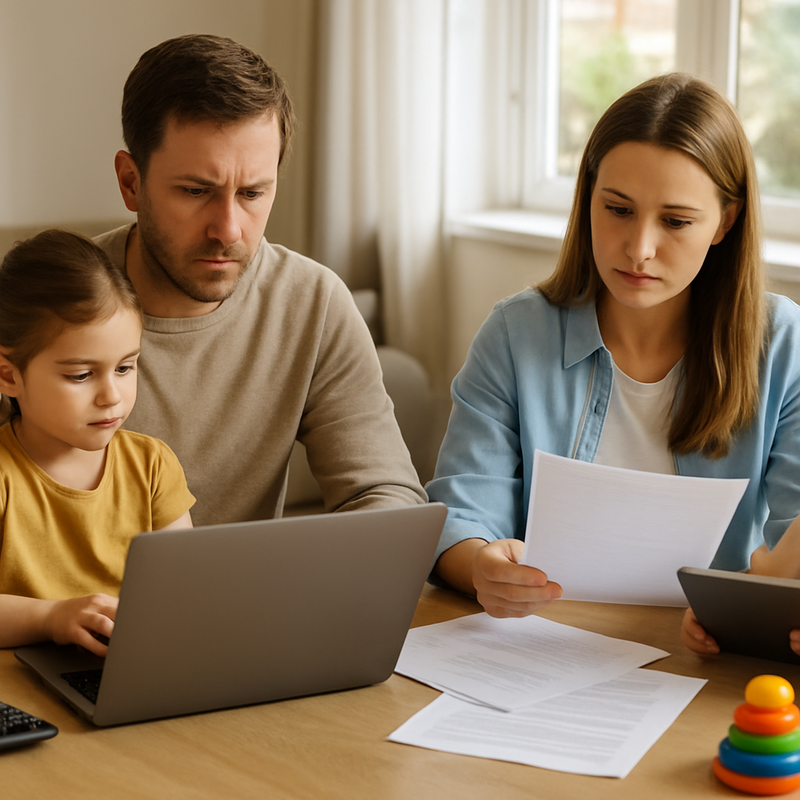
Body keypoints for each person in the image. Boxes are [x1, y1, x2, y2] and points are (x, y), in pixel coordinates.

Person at [426, 73, 800, 654]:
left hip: (706, 660)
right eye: (618, 209)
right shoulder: (515, 333)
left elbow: (794, 544)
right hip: (536, 648)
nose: (639, 248)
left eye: (676, 221)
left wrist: (754, 603)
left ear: (725, 222)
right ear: (588, 197)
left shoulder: (782, 344)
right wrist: (480, 566)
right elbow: (459, 515)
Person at [93, 33, 425, 526]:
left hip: (254, 602)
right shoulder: (38, 305)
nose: (228, 229)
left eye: (252, 193)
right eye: (195, 190)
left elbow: (383, 491)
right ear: (130, 182)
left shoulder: (314, 303)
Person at [0, 230, 195, 657]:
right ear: (9, 376)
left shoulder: (153, 467)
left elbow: (183, 592)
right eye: (81, 375)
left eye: (125, 368)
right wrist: (51, 618)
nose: (111, 395)